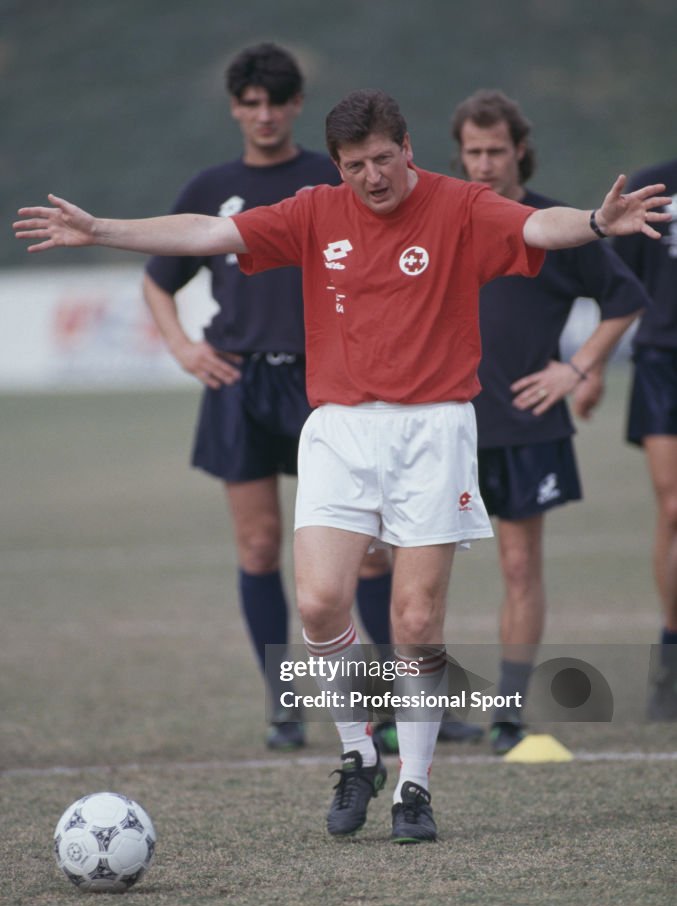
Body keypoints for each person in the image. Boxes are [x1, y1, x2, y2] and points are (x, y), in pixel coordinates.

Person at [14, 89, 670, 842]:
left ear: (408, 150)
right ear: (338, 166)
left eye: (383, 160)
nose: (372, 178)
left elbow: (534, 226)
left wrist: (592, 221)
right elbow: (207, 232)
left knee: (415, 623)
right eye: (355, 166)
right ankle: (359, 756)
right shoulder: (314, 211)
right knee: (321, 603)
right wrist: (100, 229)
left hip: (434, 431)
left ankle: (414, 789)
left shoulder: (459, 205)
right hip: (337, 432)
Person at [141, 43, 393, 752]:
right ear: (235, 108)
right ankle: (283, 703)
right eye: (250, 103)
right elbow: (159, 282)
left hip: (327, 383)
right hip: (242, 383)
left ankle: (392, 699)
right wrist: (186, 349)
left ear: (296, 107)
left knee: (369, 552)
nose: (263, 115)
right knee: (258, 545)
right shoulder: (209, 187)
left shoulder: (332, 177)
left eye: (275, 102)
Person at [450, 90, 648, 753]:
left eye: (494, 151)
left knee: (516, 567)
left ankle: (506, 712)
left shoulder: (560, 224)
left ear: (519, 151)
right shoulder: (443, 219)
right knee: (403, 568)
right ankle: (417, 709)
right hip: (441, 424)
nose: (481, 164)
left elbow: (624, 298)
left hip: (524, 425)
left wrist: (579, 368)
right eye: (471, 152)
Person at [613, 158, 677, 720]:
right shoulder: (655, 187)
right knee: (674, 506)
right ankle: (673, 652)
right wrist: (585, 371)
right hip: (664, 360)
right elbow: (621, 282)